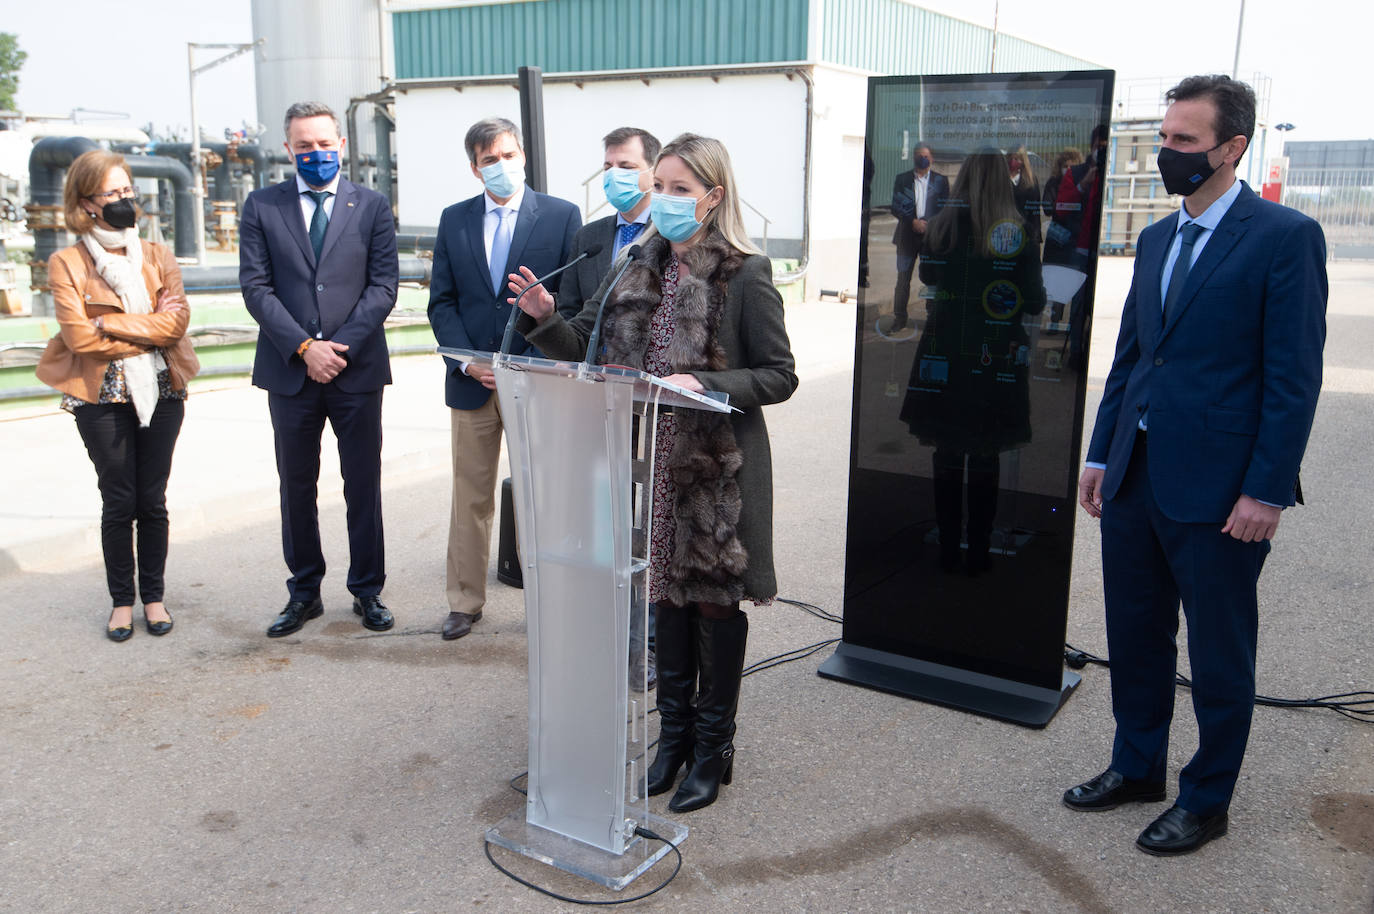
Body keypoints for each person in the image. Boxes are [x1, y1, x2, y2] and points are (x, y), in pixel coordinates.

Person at [1066, 75, 1327, 857]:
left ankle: (1207, 798)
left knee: (1219, 651)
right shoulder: (1154, 238)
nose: (1164, 154)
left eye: (1183, 140)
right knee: (1136, 634)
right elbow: (1133, 356)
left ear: (1231, 147)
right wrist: (1103, 451)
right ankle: (1136, 766)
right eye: (1164, 138)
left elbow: (1293, 379)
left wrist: (1266, 491)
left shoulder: (1283, 237)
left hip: (1222, 491)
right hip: (1138, 475)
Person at [512, 133, 798, 813]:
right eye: (660, 186)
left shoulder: (745, 274)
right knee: (664, 598)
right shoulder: (632, 265)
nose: (664, 199)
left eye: (680, 189)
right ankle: (671, 743)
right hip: (647, 465)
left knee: (710, 601)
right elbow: (587, 345)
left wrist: (704, 379)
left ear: (713, 197)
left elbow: (779, 375)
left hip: (715, 470)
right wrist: (547, 319)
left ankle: (713, 748)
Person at [239, 101, 400, 638]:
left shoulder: (372, 206)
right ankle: (304, 592)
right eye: (303, 145)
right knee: (296, 485)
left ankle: (367, 590)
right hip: (290, 371)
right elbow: (256, 289)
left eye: (323, 143)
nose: (315, 153)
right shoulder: (261, 207)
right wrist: (306, 347)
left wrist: (338, 348)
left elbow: (383, 287)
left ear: (342, 145)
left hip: (356, 372)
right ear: (288, 150)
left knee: (362, 483)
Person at [426, 117, 580, 642]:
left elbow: (572, 302)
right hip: (473, 382)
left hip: (536, 382)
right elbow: (442, 302)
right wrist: (465, 361)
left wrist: (542, 330)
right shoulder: (454, 221)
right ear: (474, 167)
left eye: (508, 154)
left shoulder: (561, 216)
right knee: (470, 494)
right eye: (490, 159)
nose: (501, 166)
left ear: (524, 157)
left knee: (542, 495)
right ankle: (464, 601)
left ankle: (550, 601)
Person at [36, 150, 200, 642]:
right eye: (113, 193)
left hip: (162, 390)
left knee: (152, 499)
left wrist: (110, 320)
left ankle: (154, 596)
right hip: (100, 398)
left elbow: (177, 324)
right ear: (87, 202)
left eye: (128, 190)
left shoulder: (157, 256)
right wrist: (148, 330)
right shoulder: (66, 263)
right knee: (119, 499)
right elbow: (79, 339)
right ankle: (121, 602)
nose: (125, 200)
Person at [898, 149, 1045, 573]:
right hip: (995, 351)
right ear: (1005, 182)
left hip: (945, 346)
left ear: (961, 182)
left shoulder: (944, 225)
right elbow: (1034, 299)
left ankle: (947, 545)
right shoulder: (1016, 233)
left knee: (946, 449)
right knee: (986, 452)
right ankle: (979, 549)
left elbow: (927, 278)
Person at [557, 125, 662, 689]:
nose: (614, 177)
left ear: (653, 169)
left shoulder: (671, 235)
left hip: (654, 407)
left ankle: (646, 645)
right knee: (605, 528)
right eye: (608, 167)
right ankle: (606, 634)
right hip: (596, 406)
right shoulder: (593, 236)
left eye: (625, 166)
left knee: (646, 532)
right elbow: (575, 313)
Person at [889, 144, 949, 330]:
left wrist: (929, 225)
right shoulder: (903, 179)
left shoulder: (941, 181)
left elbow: (946, 208)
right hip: (907, 236)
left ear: (931, 158)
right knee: (903, 280)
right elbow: (896, 205)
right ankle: (899, 319)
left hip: (931, 238)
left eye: (925, 155)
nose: (922, 158)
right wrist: (912, 221)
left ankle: (932, 317)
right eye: (918, 155)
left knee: (932, 279)